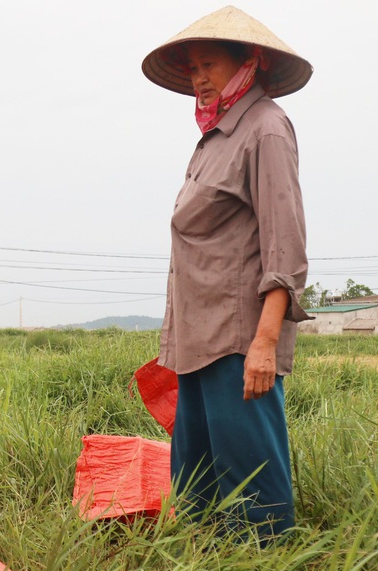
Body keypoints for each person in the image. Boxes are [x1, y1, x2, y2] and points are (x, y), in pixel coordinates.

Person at [141, 6, 312, 541]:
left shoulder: (265, 129)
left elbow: (284, 243)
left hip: (238, 338)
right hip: (198, 334)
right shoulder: (214, 138)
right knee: (195, 475)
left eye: (209, 65)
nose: (199, 79)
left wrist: (264, 342)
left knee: (250, 476)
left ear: (250, 62)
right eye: (193, 68)